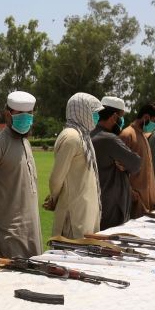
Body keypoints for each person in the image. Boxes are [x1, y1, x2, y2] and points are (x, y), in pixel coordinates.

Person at [0, 90, 43, 258]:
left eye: (29, 113)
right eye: (20, 113)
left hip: (32, 232)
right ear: (8, 115)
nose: (26, 117)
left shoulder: (25, 142)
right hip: (9, 236)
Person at [45, 92, 104, 238]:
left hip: (85, 209)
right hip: (73, 212)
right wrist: (54, 198)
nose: (96, 117)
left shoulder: (83, 135)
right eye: (93, 112)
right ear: (82, 111)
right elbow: (56, 179)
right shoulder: (72, 136)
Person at [91, 97, 141, 230]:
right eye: (121, 117)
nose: (121, 121)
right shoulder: (109, 139)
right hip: (112, 204)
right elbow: (135, 163)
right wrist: (125, 164)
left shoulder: (90, 134)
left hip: (95, 201)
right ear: (114, 117)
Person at [119, 103, 155, 216]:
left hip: (148, 199)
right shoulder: (127, 134)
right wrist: (130, 191)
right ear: (146, 118)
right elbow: (119, 168)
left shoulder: (143, 135)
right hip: (135, 199)